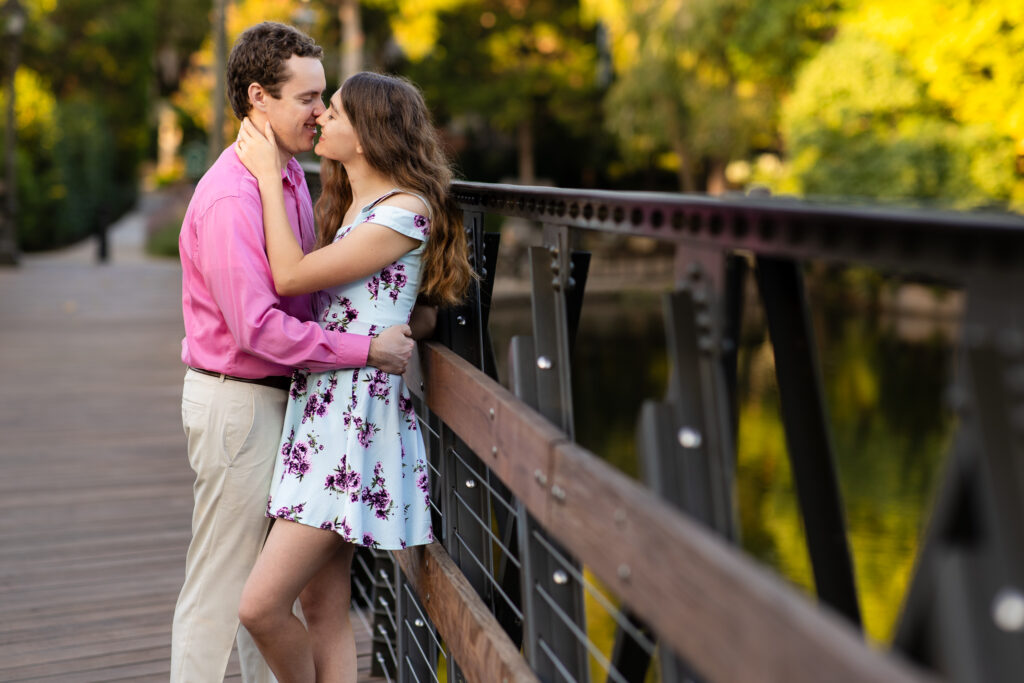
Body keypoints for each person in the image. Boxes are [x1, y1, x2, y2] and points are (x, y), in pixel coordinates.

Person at [173, 24, 422, 683]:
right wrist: (365, 346)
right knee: (224, 591)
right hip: (240, 400)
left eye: (326, 100)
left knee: (276, 594)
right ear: (259, 97)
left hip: (291, 405)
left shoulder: (284, 177)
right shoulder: (235, 195)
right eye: (310, 97)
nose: (319, 111)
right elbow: (259, 327)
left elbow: (328, 287)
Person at [232, 71, 473, 682]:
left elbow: (289, 277)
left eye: (332, 112)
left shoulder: (403, 211)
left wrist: (265, 175)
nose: (320, 119)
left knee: (259, 607)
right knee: (320, 606)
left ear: (364, 135)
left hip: (350, 421)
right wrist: (401, 329)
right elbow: (392, 307)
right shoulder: (361, 206)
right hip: (326, 406)